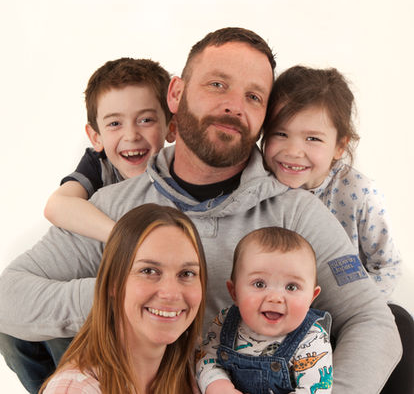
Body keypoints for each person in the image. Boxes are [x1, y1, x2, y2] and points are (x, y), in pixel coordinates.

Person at [0, 27, 401, 394]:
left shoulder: (296, 214)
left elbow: (373, 322)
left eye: (253, 97)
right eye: (217, 85)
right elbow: (9, 297)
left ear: (263, 119)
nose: (233, 106)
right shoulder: (115, 207)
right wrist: (124, 295)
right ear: (176, 94)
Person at [261, 65, 401, 299]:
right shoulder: (257, 187)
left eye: (312, 138)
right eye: (280, 134)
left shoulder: (359, 193)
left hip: (345, 304)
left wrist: (359, 307)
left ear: (340, 146)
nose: (294, 151)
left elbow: (387, 265)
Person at [40, 203, 207, 394]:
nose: (171, 293)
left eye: (186, 273)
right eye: (149, 271)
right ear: (113, 282)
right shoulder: (75, 390)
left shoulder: (201, 369)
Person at [44, 57, 173, 243]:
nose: (131, 135)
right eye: (115, 123)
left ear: (172, 127)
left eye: (145, 120)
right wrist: (124, 239)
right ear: (96, 137)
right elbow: (56, 206)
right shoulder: (99, 165)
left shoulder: (178, 167)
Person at [196, 227, 332, 394]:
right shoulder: (225, 321)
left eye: (291, 287)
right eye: (259, 284)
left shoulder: (313, 338)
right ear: (234, 292)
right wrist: (218, 385)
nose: (275, 298)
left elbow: (314, 389)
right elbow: (206, 358)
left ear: (312, 297)